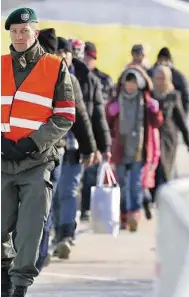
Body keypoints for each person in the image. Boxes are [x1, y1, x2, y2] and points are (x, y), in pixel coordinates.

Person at [1, 8, 75, 297]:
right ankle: (4, 280)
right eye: (14, 32)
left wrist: (33, 142)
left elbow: (66, 115)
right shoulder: (0, 65)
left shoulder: (55, 67)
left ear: (35, 31)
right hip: (3, 160)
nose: (19, 36)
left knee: (31, 231)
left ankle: (19, 287)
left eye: (24, 31)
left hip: (37, 161)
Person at [32, 29, 97, 268]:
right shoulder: (22, 71)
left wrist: (91, 147)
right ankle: (36, 255)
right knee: (39, 204)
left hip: (55, 150)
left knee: (54, 198)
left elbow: (80, 114)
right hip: (32, 149)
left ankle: (43, 251)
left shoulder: (68, 78)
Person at [106, 65, 163, 231]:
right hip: (120, 148)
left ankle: (134, 215)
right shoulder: (116, 101)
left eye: (134, 82)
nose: (130, 86)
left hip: (140, 149)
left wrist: (155, 110)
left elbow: (157, 122)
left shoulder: (146, 101)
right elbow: (107, 124)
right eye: (128, 82)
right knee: (122, 183)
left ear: (140, 84)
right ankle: (123, 215)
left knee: (136, 184)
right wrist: (110, 113)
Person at [69, 38, 112, 221]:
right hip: (65, 140)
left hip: (87, 140)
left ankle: (77, 217)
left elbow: (98, 117)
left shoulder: (94, 81)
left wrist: (105, 147)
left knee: (81, 181)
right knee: (66, 188)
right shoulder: (56, 75)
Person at [151, 65, 189, 199]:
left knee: (165, 167)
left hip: (168, 137)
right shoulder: (149, 95)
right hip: (152, 137)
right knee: (154, 167)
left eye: (163, 78)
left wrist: (188, 141)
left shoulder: (173, 96)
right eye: (157, 78)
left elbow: (180, 119)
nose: (160, 81)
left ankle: (164, 197)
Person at [148, 47, 189, 115]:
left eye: (165, 59)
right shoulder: (150, 73)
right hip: (153, 113)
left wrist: (184, 114)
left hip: (172, 113)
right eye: (161, 59)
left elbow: (186, 98)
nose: (163, 62)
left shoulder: (178, 76)